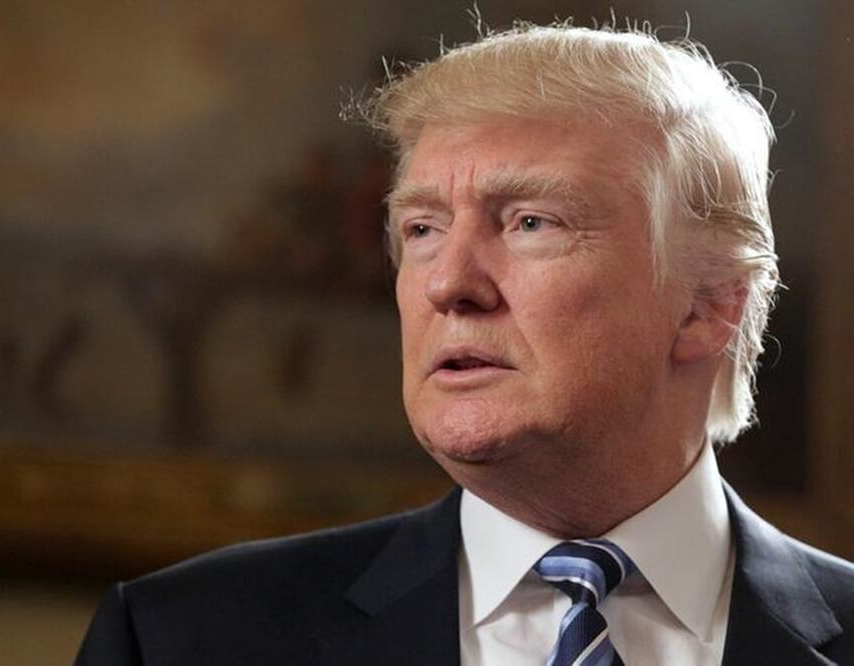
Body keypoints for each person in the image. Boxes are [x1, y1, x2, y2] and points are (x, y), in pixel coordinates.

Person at [75, 22, 854, 665]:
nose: (449, 284)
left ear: (709, 306)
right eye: (423, 229)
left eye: (530, 223)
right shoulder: (184, 639)